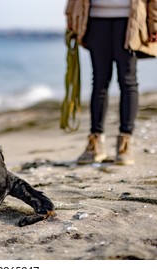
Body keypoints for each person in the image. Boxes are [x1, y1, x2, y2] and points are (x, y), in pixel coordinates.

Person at [65, 0, 157, 165]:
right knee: (99, 82)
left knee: (128, 81)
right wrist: (72, 17)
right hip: (94, 20)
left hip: (131, 20)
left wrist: (154, 23)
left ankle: (125, 143)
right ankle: (95, 143)